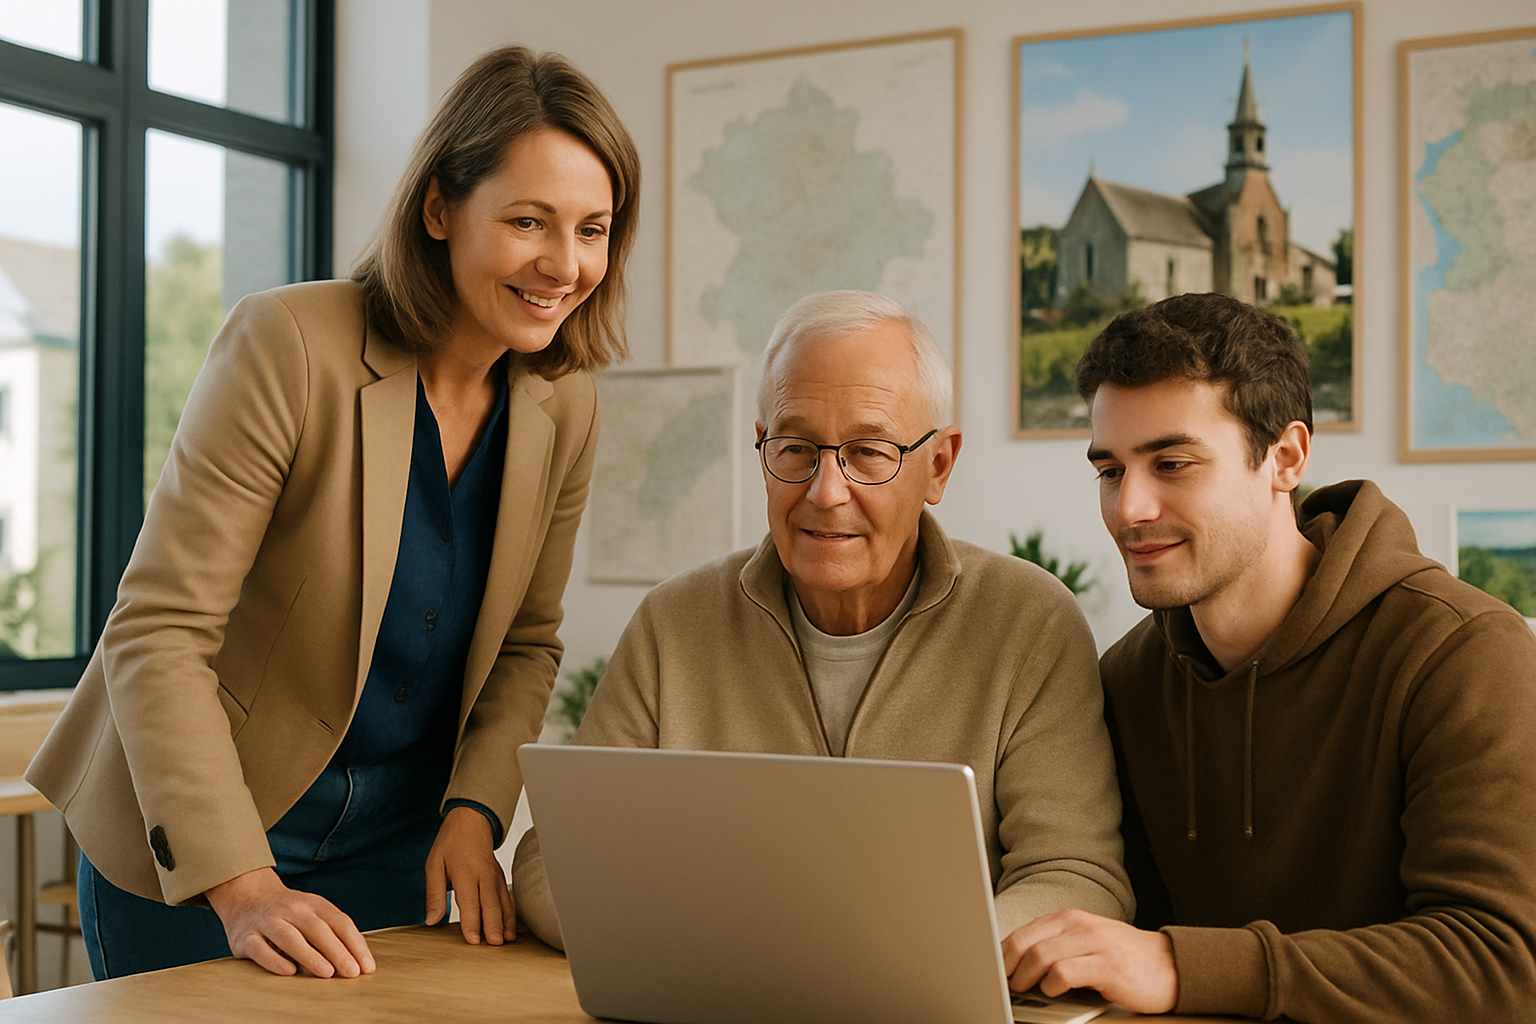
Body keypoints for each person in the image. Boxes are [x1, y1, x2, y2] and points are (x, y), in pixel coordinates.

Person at [27, 45, 641, 980]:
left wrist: (476, 813)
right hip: (209, 839)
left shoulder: (567, 405)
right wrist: (242, 883)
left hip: (402, 846)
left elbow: (528, 643)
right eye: (528, 221)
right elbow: (158, 630)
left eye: (593, 229)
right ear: (439, 209)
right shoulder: (289, 344)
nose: (565, 264)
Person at [512, 290, 1134, 952]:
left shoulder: (1030, 624)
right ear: (762, 449)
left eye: (868, 452)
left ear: (939, 464)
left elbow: (1076, 878)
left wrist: (902, 959)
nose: (825, 491)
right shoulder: (673, 623)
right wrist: (727, 951)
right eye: (796, 448)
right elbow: (555, 855)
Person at [1002, 292, 1536, 1022]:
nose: (1130, 509)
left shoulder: (1462, 653)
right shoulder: (1126, 681)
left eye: (1173, 462)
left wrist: (1180, 964)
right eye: (1111, 471)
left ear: (1285, 458)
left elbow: (1503, 965)